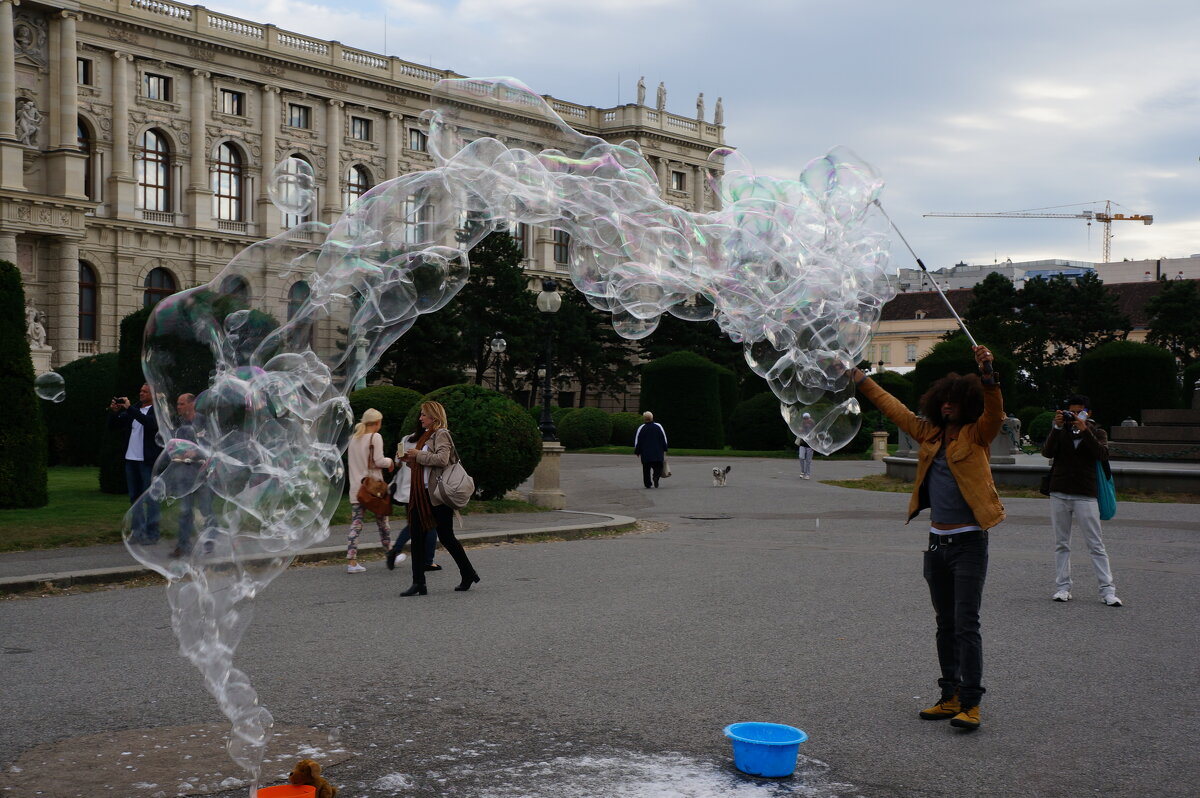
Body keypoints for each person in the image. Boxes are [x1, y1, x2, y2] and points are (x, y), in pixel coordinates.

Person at [850, 345, 1002, 731]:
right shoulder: (928, 433)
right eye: (943, 402)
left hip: (969, 541)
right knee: (945, 624)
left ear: (964, 404)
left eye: (954, 402)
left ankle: (972, 703)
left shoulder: (977, 434)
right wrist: (861, 379)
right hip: (937, 543)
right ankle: (948, 695)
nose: (947, 407)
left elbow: (995, 412)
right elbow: (895, 409)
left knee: (967, 623)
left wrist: (987, 374)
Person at [1042, 394, 1122, 606]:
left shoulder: (1098, 431)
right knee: (1061, 543)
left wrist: (1085, 430)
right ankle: (1062, 587)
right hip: (1059, 491)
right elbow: (1047, 452)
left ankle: (1108, 591)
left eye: (1080, 412)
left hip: (1086, 493)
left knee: (1096, 544)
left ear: (1089, 413)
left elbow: (1102, 454)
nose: (1075, 415)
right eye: (1072, 412)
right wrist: (1056, 428)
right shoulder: (1062, 430)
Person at [398, 401, 480, 596]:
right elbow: (425, 466)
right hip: (421, 495)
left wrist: (418, 455)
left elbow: (442, 460)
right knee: (417, 536)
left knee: (446, 537)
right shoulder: (423, 437)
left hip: (438, 495)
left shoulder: (441, 433)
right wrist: (410, 461)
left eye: (423, 415)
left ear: (434, 416)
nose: (420, 418)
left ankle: (468, 573)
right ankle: (419, 582)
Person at [108, 384, 163, 544]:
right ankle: (137, 531)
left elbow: (150, 424)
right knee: (134, 498)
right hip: (131, 458)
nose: (141, 393)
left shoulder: (157, 411)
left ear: (153, 394)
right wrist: (115, 412)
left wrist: (130, 408)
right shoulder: (135, 409)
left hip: (147, 460)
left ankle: (153, 533)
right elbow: (114, 426)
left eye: (145, 391)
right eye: (140, 391)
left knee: (151, 498)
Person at [385, 420, 439, 572]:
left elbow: (397, 462)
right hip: (423, 488)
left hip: (406, 489)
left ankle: (397, 550)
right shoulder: (430, 440)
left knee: (415, 523)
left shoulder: (406, 439)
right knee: (429, 524)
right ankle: (427, 561)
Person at [346, 408, 393, 574]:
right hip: (374, 489)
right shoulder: (376, 437)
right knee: (383, 522)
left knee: (356, 524)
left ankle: (351, 561)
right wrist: (390, 461)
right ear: (377, 423)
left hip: (357, 489)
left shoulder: (353, 439)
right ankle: (390, 554)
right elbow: (379, 461)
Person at [633, 411, 668, 489]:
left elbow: (638, 441)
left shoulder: (641, 428)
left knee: (646, 468)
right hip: (657, 452)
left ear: (644, 418)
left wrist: (637, 451)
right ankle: (656, 477)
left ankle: (647, 483)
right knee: (658, 466)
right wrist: (665, 448)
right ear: (652, 417)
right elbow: (663, 438)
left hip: (645, 453)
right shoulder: (658, 426)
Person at [794, 412, 816, 479]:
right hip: (802, 444)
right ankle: (802, 471)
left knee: (808, 460)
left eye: (807, 418)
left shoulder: (813, 427)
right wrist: (800, 430)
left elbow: (815, 436)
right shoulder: (802, 426)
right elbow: (798, 433)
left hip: (810, 446)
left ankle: (807, 474)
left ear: (809, 419)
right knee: (801, 457)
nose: (806, 420)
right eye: (804, 418)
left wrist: (814, 446)